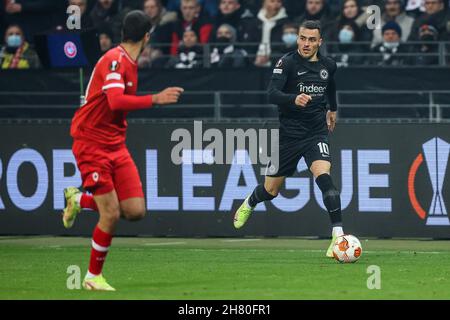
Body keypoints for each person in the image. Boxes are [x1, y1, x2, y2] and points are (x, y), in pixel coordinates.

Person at [63, 10, 184, 291]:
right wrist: (156, 99)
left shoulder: (127, 61)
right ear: (147, 36)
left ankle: (79, 200)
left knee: (135, 210)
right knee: (111, 214)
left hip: (115, 144)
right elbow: (116, 102)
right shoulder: (115, 61)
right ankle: (92, 277)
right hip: (91, 143)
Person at [233, 20, 345, 258]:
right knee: (271, 190)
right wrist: (293, 99)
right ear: (298, 38)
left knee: (323, 175)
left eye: (312, 40)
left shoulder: (328, 65)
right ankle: (251, 202)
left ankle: (338, 235)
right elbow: (272, 94)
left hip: (316, 132)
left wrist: (332, 109)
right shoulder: (287, 62)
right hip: (288, 136)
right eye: (303, 38)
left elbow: (331, 85)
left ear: (320, 41)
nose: (306, 44)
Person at [254, 0, 289, 67]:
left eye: (279, 1)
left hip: (277, 61)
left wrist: (270, 58)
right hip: (255, 59)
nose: (276, 4)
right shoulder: (255, 21)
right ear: (264, 3)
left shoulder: (286, 23)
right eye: (272, 1)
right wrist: (254, 58)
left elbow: (285, 47)